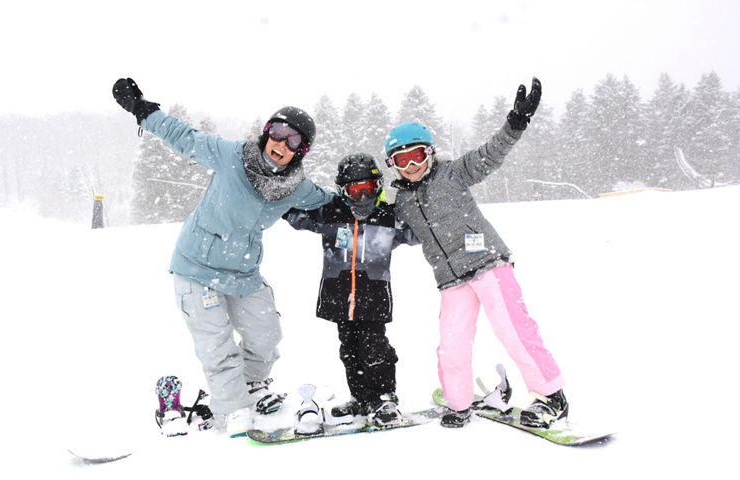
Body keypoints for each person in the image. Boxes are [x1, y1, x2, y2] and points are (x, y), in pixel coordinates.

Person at [112, 78, 333, 434]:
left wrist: (365, 196)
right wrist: (142, 109)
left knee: (266, 335)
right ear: (266, 132)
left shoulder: (295, 188)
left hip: (243, 272)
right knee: (216, 345)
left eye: (292, 139)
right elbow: (183, 136)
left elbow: (329, 201)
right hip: (197, 268)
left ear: (301, 151)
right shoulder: (232, 156)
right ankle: (233, 409)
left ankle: (250, 383)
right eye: (276, 131)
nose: (280, 142)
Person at [385, 78, 568, 429]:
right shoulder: (404, 203)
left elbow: (490, 154)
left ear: (430, 153)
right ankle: (459, 402)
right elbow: (389, 234)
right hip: (450, 281)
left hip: (489, 264)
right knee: (451, 344)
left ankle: (551, 396)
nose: (411, 166)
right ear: (393, 164)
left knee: (513, 331)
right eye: (402, 160)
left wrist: (515, 124)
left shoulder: (453, 174)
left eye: (417, 156)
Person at [284, 154, 418, 427]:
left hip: (374, 298)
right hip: (339, 297)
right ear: (343, 191)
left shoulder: (388, 217)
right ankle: (361, 398)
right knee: (350, 350)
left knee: (375, 348)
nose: (363, 195)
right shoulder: (330, 213)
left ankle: (383, 398)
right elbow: (297, 215)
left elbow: (418, 232)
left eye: (369, 187)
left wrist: (415, 199)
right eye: (355, 189)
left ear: (379, 186)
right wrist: (280, 195)